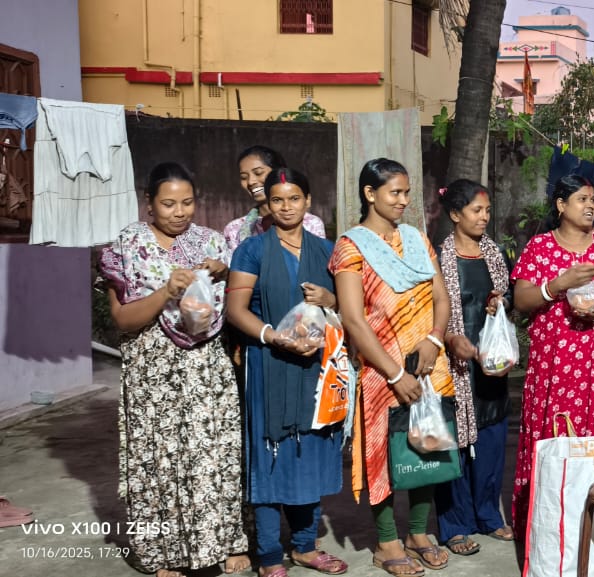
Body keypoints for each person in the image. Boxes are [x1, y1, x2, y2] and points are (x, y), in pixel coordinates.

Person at [99, 162, 250, 577]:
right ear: (148, 203)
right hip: (153, 372)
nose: (179, 212)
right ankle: (164, 555)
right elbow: (123, 320)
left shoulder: (211, 242)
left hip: (206, 370)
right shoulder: (128, 245)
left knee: (213, 456)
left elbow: (231, 305)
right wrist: (166, 291)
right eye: (168, 204)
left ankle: (225, 542)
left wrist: (224, 271)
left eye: (187, 202)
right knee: (159, 461)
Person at [329, 158, 456, 575]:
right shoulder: (351, 247)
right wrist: (396, 373)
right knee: (381, 454)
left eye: (406, 192)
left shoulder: (417, 239)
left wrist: (434, 340)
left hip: (429, 363)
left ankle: (418, 533)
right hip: (382, 369)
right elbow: (353, 319)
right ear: (370, 193)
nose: (403, 200)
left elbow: (441, 298)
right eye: (395, 192)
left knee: (428, 446)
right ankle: (386, 543)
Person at [225, 168, 347, 577]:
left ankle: (305, 546)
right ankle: (270, 555)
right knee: (269, 454)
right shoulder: (252, 250)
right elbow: (235, 310)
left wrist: (331, 298)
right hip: (268, 364)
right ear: (268, 204)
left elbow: (351, 306)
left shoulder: (327, 249)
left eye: (294, 198)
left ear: (308, 201)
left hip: (314, 366)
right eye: (277, 200)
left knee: (309, 451)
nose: (286, 207)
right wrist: (273, 337)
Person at [510, 174, 594, 560]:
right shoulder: (540, 247)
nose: (590, 206)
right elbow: (521, 299)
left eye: (593, 199)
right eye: (582, 199)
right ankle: (548, 532)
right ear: (561, 205)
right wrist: (559, 284)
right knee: (554, 444)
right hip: (555, 367)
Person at [433, 179, 516, 556]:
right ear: (455, 214)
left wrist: (501, 302)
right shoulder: (439, 258)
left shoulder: (495, 255)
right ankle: (454, 525)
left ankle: (488, 515)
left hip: (490, 364)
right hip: (452, 366)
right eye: (476, 211)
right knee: (454, 445)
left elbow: (508, 295)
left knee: (492, 442)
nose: (484, 217)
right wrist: (451, 339)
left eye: (487, 211)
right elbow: (430, 309)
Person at [224, 145, 326, 254]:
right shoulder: (234, 229)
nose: (250, 182)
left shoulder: (310, 223)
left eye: (258, 173)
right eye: (244, 177)